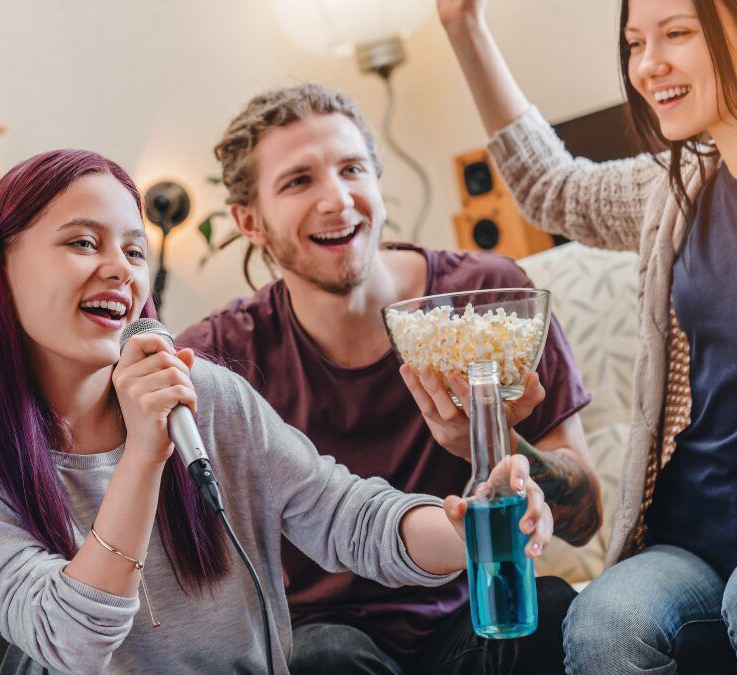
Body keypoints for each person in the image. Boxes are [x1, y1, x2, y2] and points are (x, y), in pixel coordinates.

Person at [0, 148, 556, 674]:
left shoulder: (205, 392)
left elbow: (347, 515)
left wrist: (473, 529)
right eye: (82, 243)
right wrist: (144, 456)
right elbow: (69, 637)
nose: (120, 271)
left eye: (133, 250)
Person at [437, 0, 737, 672]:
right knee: (606, 619)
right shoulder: (672, 190)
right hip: (693, 540)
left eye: (677, 34)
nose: (648, 65)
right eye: (634, 43)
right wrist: (463, 27)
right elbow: (549, 187)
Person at [174, 83, 601, 674]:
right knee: (323, 659)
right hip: (323, 635)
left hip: (471, 615)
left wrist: (500, 445)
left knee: (555, 609)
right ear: (250, 220)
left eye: (352, 169)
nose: (338, 200)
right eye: (299, 181)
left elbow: (586, 520)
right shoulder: (221, 355)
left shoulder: (490, 299)